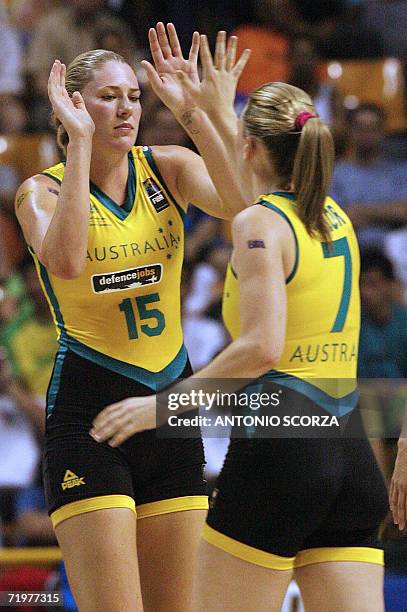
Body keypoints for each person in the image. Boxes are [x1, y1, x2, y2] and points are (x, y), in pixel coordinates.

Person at [92, 29, 388, 611]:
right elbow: (249, 184)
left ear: (252, 146)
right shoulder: (334, 215)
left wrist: (163, 405)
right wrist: (203, 111)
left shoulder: (259, 226)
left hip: (283, 447)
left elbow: (260, 347)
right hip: (351, 453)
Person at [15, 26, 248, 611]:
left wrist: (197, 113)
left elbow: (247, 208)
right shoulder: (37, 192)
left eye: (133, 96)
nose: (125, 109)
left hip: (169, 410)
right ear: (72, 106)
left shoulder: (168, 167)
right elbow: (67, 263)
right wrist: (79, 148)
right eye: (108, 96)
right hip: (89, 418)